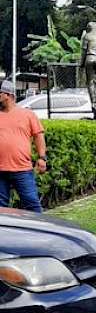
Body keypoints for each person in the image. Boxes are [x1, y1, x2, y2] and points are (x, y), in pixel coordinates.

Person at [0, 80, 46, 213]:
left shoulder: (27, 115)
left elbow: (39, 136)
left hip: (22, 170)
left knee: (32, 205)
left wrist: (42, 158)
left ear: (8, 95)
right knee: (1, 209)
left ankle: (39, 232)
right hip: (0, 171)